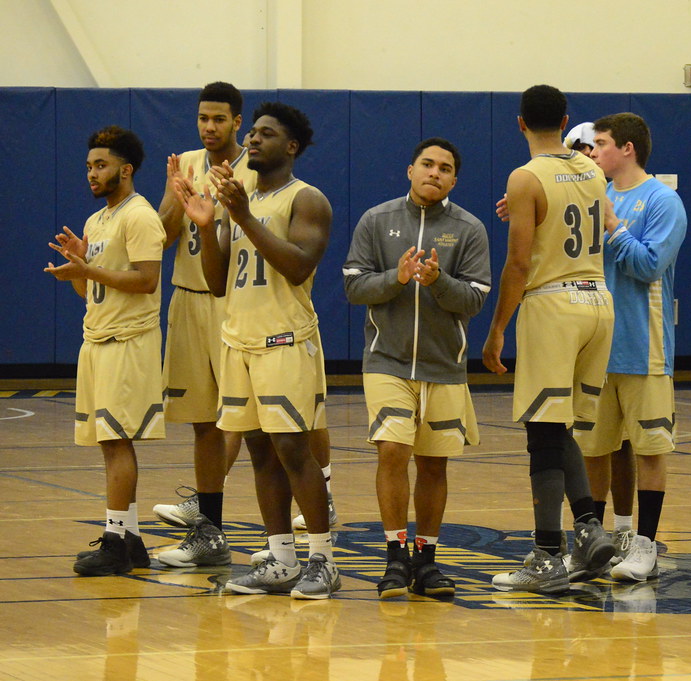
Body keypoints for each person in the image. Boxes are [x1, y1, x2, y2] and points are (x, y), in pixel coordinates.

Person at [153, 83, 336, 551]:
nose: (252, 140)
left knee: (290, 445)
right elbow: (213, 277)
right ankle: (278, 555)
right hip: (235, 326)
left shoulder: (299, 195)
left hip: (283, 335)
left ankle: (322, 549)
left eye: (263, 134)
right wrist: (199, 217)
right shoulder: (219, 187)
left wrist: (241, 216)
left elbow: (297, 267)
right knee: (254, 447)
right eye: (253, 133)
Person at [343, 137, 491, 599]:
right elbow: (354, 286)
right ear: (410, 170)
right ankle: (393, 558)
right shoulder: (376, 219)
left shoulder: (469, 229)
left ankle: (426, 562)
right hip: (386, 362)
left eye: (445, 168)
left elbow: (474, 299)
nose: (435, 172)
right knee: (392, 452)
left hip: (445, 365)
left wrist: (438, 281)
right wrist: (398, 278)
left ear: (453, 179)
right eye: (427, 164)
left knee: (433, 464)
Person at [484, 84, 616, 594]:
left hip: (554, 303)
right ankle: (588, 528)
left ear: (520, 123)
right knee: (560, 426)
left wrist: (496, 329)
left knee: (542, 429)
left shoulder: (525, 176)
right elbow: (599, 221)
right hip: (597, 300)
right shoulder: (592, 169)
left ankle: (547, 555)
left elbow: (519, 263)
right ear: (565, 120)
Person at [46, 126, 165, 576]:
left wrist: (91, 268)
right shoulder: (97, 222)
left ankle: (115, 543)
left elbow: (146, 280)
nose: (92, 174)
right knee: (107, 443)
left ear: (126, 169)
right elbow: (88, 290)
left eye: (101, 165)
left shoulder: (140, 216)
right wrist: (78, 268)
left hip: (128, 342)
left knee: (117, 442)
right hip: (96, 338)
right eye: (89, 167)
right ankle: (131, 540)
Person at [578, 112, 687, 582]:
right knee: (593, 449)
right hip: (595, 347)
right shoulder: (589, 197)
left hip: (645, 349)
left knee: (649, 449)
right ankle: (595, 544)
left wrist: (613, 224)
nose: (593, 151)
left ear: (626, 149)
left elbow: (648, 267)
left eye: (600, 143)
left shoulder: (664, 201)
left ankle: (645, 545)